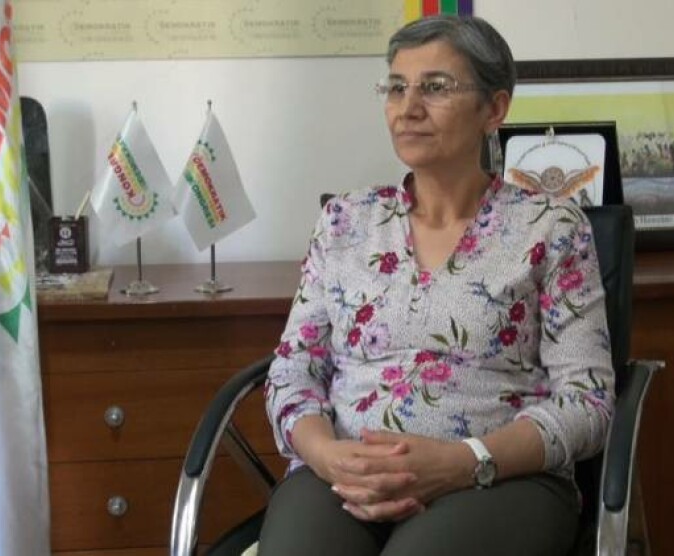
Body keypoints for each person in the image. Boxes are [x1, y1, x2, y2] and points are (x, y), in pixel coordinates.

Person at [259, 14, 613, 556]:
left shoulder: (551, 227)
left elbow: (587, 402)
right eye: (396, 87)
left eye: (436, 87)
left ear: (494, 109)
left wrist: (463, 462)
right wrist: (328, 456)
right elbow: (292, 370)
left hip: (500, 481)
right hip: (341, 476)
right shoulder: (345, 222)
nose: (408, 107)